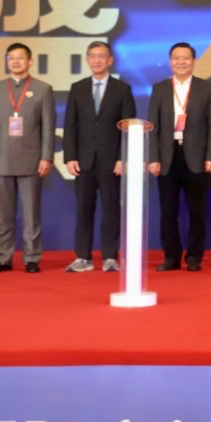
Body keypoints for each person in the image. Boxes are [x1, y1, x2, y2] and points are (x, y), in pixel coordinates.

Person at [0, 42, 56, 274]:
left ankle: (32, 258)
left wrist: (46, 157)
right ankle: (4, 258)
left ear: (30, 61)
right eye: (11, 57)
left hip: (31, 159)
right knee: (4, 214)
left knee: (31, 214)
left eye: (20, 57)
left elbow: (48, 127)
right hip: (1, 158)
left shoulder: (42, 89)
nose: (15, 61)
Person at [63, 41, 136, 273]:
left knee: (111, 209)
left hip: (111, 161)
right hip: (84, 160)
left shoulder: (122, 89)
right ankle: (83, 257)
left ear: (110, 60)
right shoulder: (77, 88)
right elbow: (70, 125)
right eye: (93, 56)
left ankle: (110, 257)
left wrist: (122, 158)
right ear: (87, 60)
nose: (97, 60)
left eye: (101, 56)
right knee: (83, 209)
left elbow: (128, 128)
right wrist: (70, 156)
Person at [148, 42, 211, 272]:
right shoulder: (159, 89)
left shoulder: (206, 88)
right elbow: (153, 127)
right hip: (167, 157)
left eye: (186, 58)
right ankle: (171, 257)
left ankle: (195, 257)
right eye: (176, 58)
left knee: (197, 211)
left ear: (193, 61)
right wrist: (153, 157)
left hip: (197, 157)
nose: (181, 62)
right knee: (168, 211)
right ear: (170, 62)